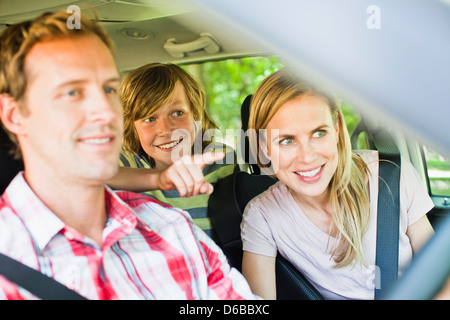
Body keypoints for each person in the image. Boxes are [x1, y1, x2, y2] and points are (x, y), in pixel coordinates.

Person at [0, 10, 255, 300]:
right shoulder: (9, 257)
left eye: (109, 89)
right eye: (72, 92)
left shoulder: (173, 228)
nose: (107, 111)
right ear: (15, 115)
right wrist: (158, 178)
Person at [240, 68, 435, 300]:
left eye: (318, 133)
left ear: (336, 129)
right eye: (287, 140)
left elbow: (440, 274)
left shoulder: (391, 176)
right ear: (264, 147)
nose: (307, 156)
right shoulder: (262, 216)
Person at [112, 63, 236, 239]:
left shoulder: (221, 160)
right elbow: (91, 176)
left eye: (177, 113)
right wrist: (158, 179)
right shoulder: (128, 162)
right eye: (149, 118)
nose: (165, 130)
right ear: (132, 127)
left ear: (195, 114)